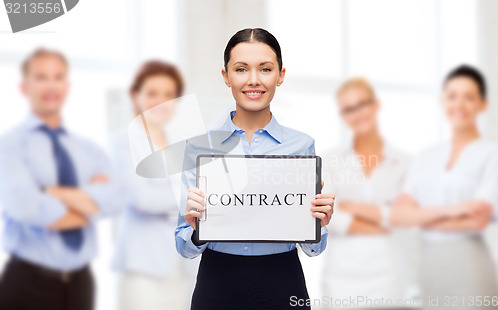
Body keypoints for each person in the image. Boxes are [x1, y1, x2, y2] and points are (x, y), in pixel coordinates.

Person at [175, 28, 335, 310]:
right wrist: (195, 226)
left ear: (280, 75)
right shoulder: (200, 148)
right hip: (217, 282)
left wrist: (318, 225)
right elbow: (184, 248)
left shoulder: (301, 145)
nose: (253, 80)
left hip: (283, 281)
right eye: (240, 69)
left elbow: (313, 249)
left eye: (265, 69)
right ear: (226, 76)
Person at [0, 48, 123, 310]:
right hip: (27, 284)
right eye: (41, 77)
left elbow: (115, 200)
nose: (51, 85)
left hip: (81, 284)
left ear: (67, 86)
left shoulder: (87, 149)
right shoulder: (10, 145)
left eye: (58, 77)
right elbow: (26, 208)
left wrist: (54, 192)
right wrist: (90, 205)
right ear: (24, 87)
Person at [391, 65, 498, 309]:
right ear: (442, 101)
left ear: (483, 104)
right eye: (452, 96)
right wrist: (454, 210)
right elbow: (398, 215)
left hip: (470, 263)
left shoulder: (492, 154)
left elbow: (477, 220)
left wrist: (418, 216)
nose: (459, 105)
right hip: (430, 265)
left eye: (469, 97)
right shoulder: (426, 156)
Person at [110, 60, 197, 310]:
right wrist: (189, 200)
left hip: (183, 265)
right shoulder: (123, 143)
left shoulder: (182, 144)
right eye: (152, 93)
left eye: (169, 95)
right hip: (144, 267)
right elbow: (142, 199)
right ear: (135, 95)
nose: (161, 101)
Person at [321, 78, 414, 308]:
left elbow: (408, 218)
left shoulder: (404, 162)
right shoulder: (330, 160)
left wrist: (351, 208)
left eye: (362, 104)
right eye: (349, 109)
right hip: (342, 277)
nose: (358, 113)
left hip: (389, 275)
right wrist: (382, 219)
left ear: (376, 105)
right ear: (342, 116)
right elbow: (329, 218)